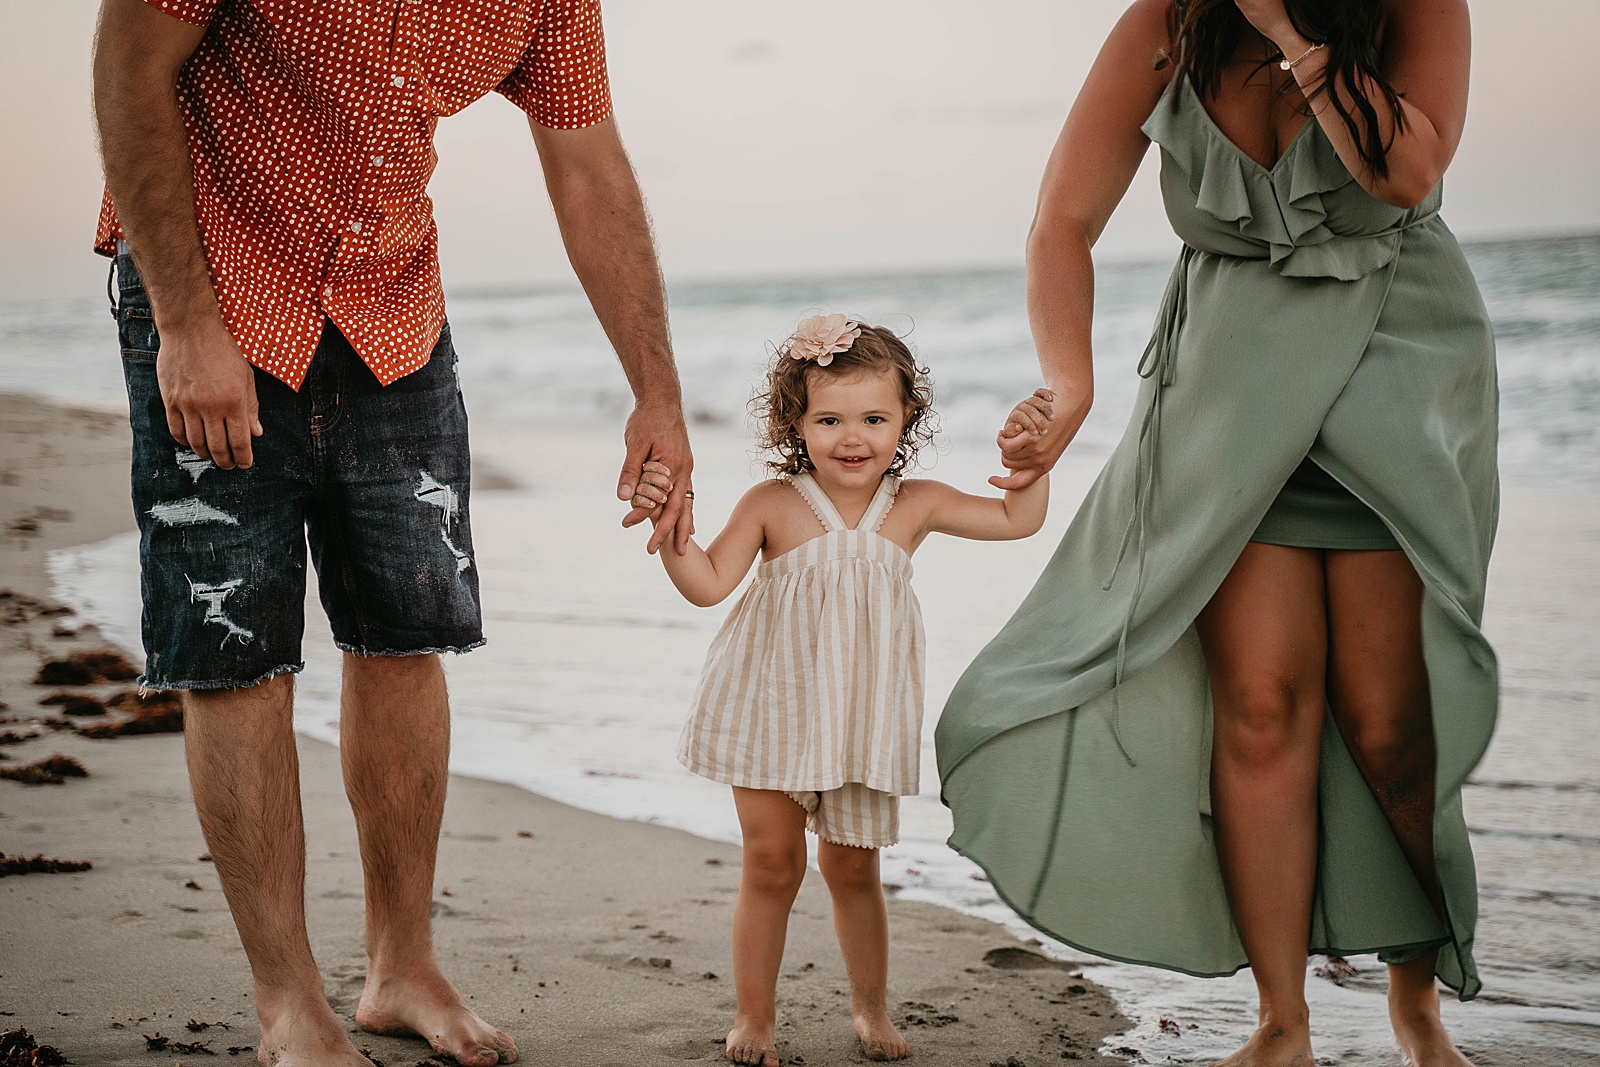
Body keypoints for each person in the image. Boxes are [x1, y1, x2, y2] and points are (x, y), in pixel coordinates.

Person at [91, 0, 693, 1063]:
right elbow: (130, 68)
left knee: (411, 634)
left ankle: (399, 967)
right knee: (236, 655)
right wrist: (185, 325)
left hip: (393, 316)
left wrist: (657, 393)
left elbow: (589, 169)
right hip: (213, 297)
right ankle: (288, 1001)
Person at [934, 1, 1496, 1064]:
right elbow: (1062, 217)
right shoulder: (1165, 20)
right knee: (1257, 706)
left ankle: (1414, 1007)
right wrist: (1070, 382)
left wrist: (1292, 35)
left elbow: (1405, 174)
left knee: (1390, 725)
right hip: (1228, 397)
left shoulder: (1418, 5)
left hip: (1398, 372)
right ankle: (1281, 1021)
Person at [629, 316, 1053, 1066]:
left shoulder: (914, 503)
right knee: (772, 864)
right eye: (828, 419)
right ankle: (754, 1017)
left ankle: (870, 1007)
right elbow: (707, 584)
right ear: (796, 420)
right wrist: (672, 526)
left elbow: (1018, 519)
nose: (851, 438)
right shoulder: (772, 503)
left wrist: (1032, 459)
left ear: (906, 419)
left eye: (873, 418)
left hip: (861, 719)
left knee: (854, 866)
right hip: (771, 710)